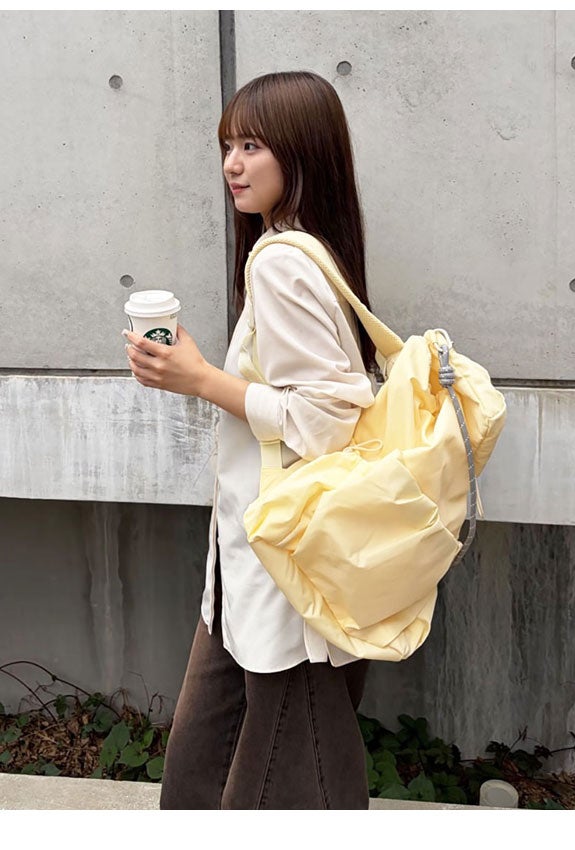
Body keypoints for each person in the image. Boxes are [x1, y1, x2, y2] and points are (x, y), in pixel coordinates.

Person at [123, 70, 377, 809]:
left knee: (281, 793)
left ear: (302, 151)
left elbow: (327, 419)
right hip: (247, 567)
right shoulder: (300, 247)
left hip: (280, 571)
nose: (232, 164)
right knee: (200, 773)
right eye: (228, 146)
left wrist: (200, 378)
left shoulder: (282, 262)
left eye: (253, 146)